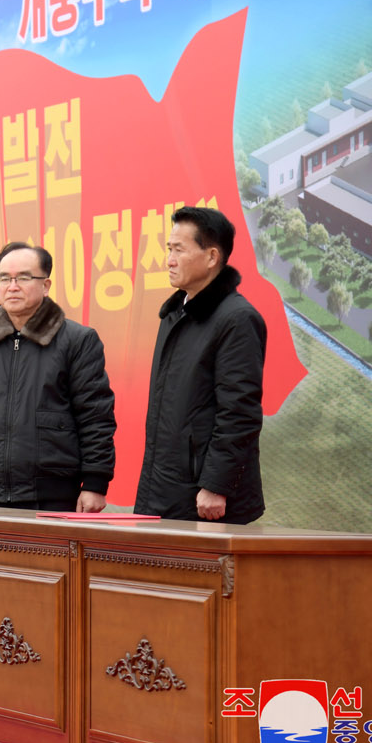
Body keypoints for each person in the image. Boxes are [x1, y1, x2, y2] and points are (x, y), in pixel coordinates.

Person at [0, 243, 115, 512]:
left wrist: (95, 483)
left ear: (46, 285)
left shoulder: (77, 340)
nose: (12, 286)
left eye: (24, 278)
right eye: (4, 278)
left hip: (54, 494)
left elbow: (96, 417)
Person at [135, 206, 267, 523]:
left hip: (204, 499)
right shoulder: (174, 315)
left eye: (178, 250)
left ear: (211, 257)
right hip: (164, 487)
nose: (168, 260)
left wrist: (215, 485)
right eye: (169, 249)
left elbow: (240, 412)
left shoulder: (236, 319)